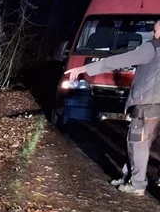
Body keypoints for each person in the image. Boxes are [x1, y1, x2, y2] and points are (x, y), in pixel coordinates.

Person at [66, 20, 160, 196]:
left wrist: (86, 68)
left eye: (155, 31)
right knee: (139, 143)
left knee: (137, 143)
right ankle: (128, 176)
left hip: (147, 104)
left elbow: (121, 59)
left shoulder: (152, 47)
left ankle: (137, 184)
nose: (154, 35)